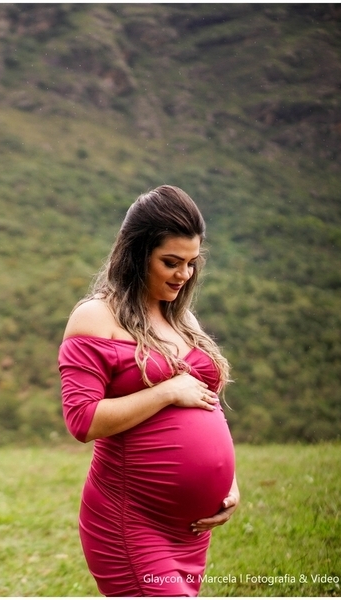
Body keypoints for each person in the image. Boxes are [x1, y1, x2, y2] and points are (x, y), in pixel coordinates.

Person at [58, 185, 239, 596]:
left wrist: (229, 481)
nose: (184, 275)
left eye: (192, 263)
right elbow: (82, 420)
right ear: (137, 254)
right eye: (171, 262)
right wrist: (165, 392)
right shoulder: (96, 317)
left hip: (189, 531)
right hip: (131, 522)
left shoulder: (182, 318)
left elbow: (205, 399)